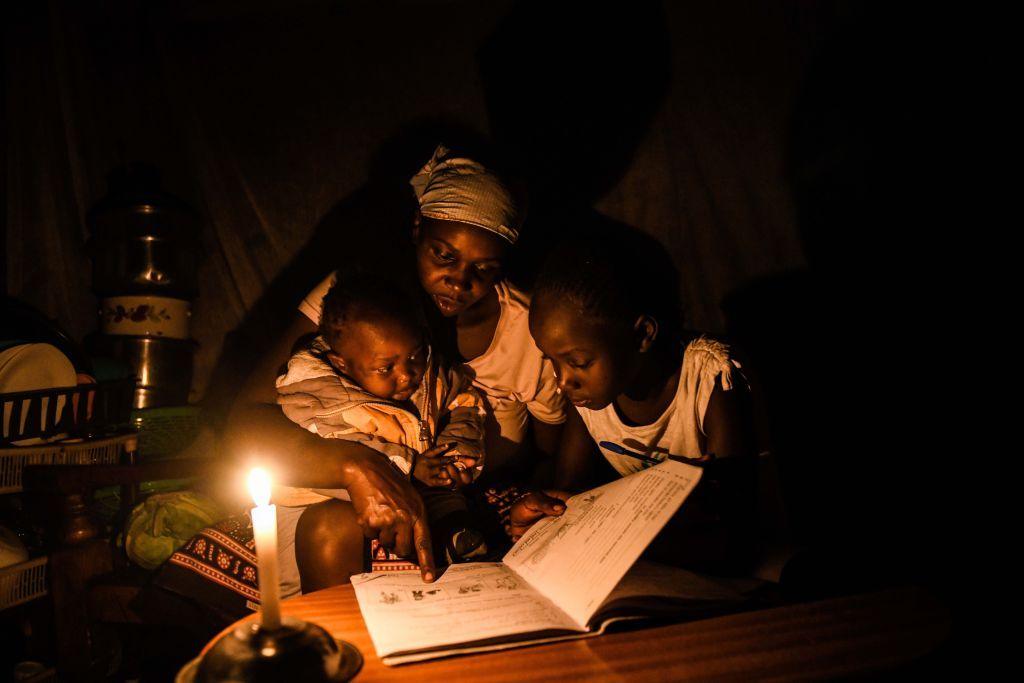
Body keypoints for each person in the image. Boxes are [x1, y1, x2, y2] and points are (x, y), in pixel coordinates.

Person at [225, 144, 565, 590]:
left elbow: (552, 454)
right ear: (418, 227)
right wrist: (359, 465)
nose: (460, 282)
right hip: (345, 498)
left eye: (485, 268)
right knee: (326, 530)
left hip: (469, 501)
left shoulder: (529, 328)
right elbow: (245, 425)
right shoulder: (359, 300)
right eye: (444, 256)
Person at [512, 233, 758, 576]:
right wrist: (543, 515)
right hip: (660, 558)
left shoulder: (710, 378)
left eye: (578, 362)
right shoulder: (589, 398)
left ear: (642, 335)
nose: (562, 380)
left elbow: (733, 517)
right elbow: (571, 494)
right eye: (552, 362)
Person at [273, 274, 488, 596]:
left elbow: (465, 401)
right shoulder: (318, 393)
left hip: (416, 476)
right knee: (329, 530)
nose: (406, 376)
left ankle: (457, 540)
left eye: (414, 356)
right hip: (323, 491)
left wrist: (456, 451)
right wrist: (409, 464)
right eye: (385, 368)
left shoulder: (430, 373)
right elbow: (337, 442)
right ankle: (313, 610)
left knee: (449, 500)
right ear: (343, 365)